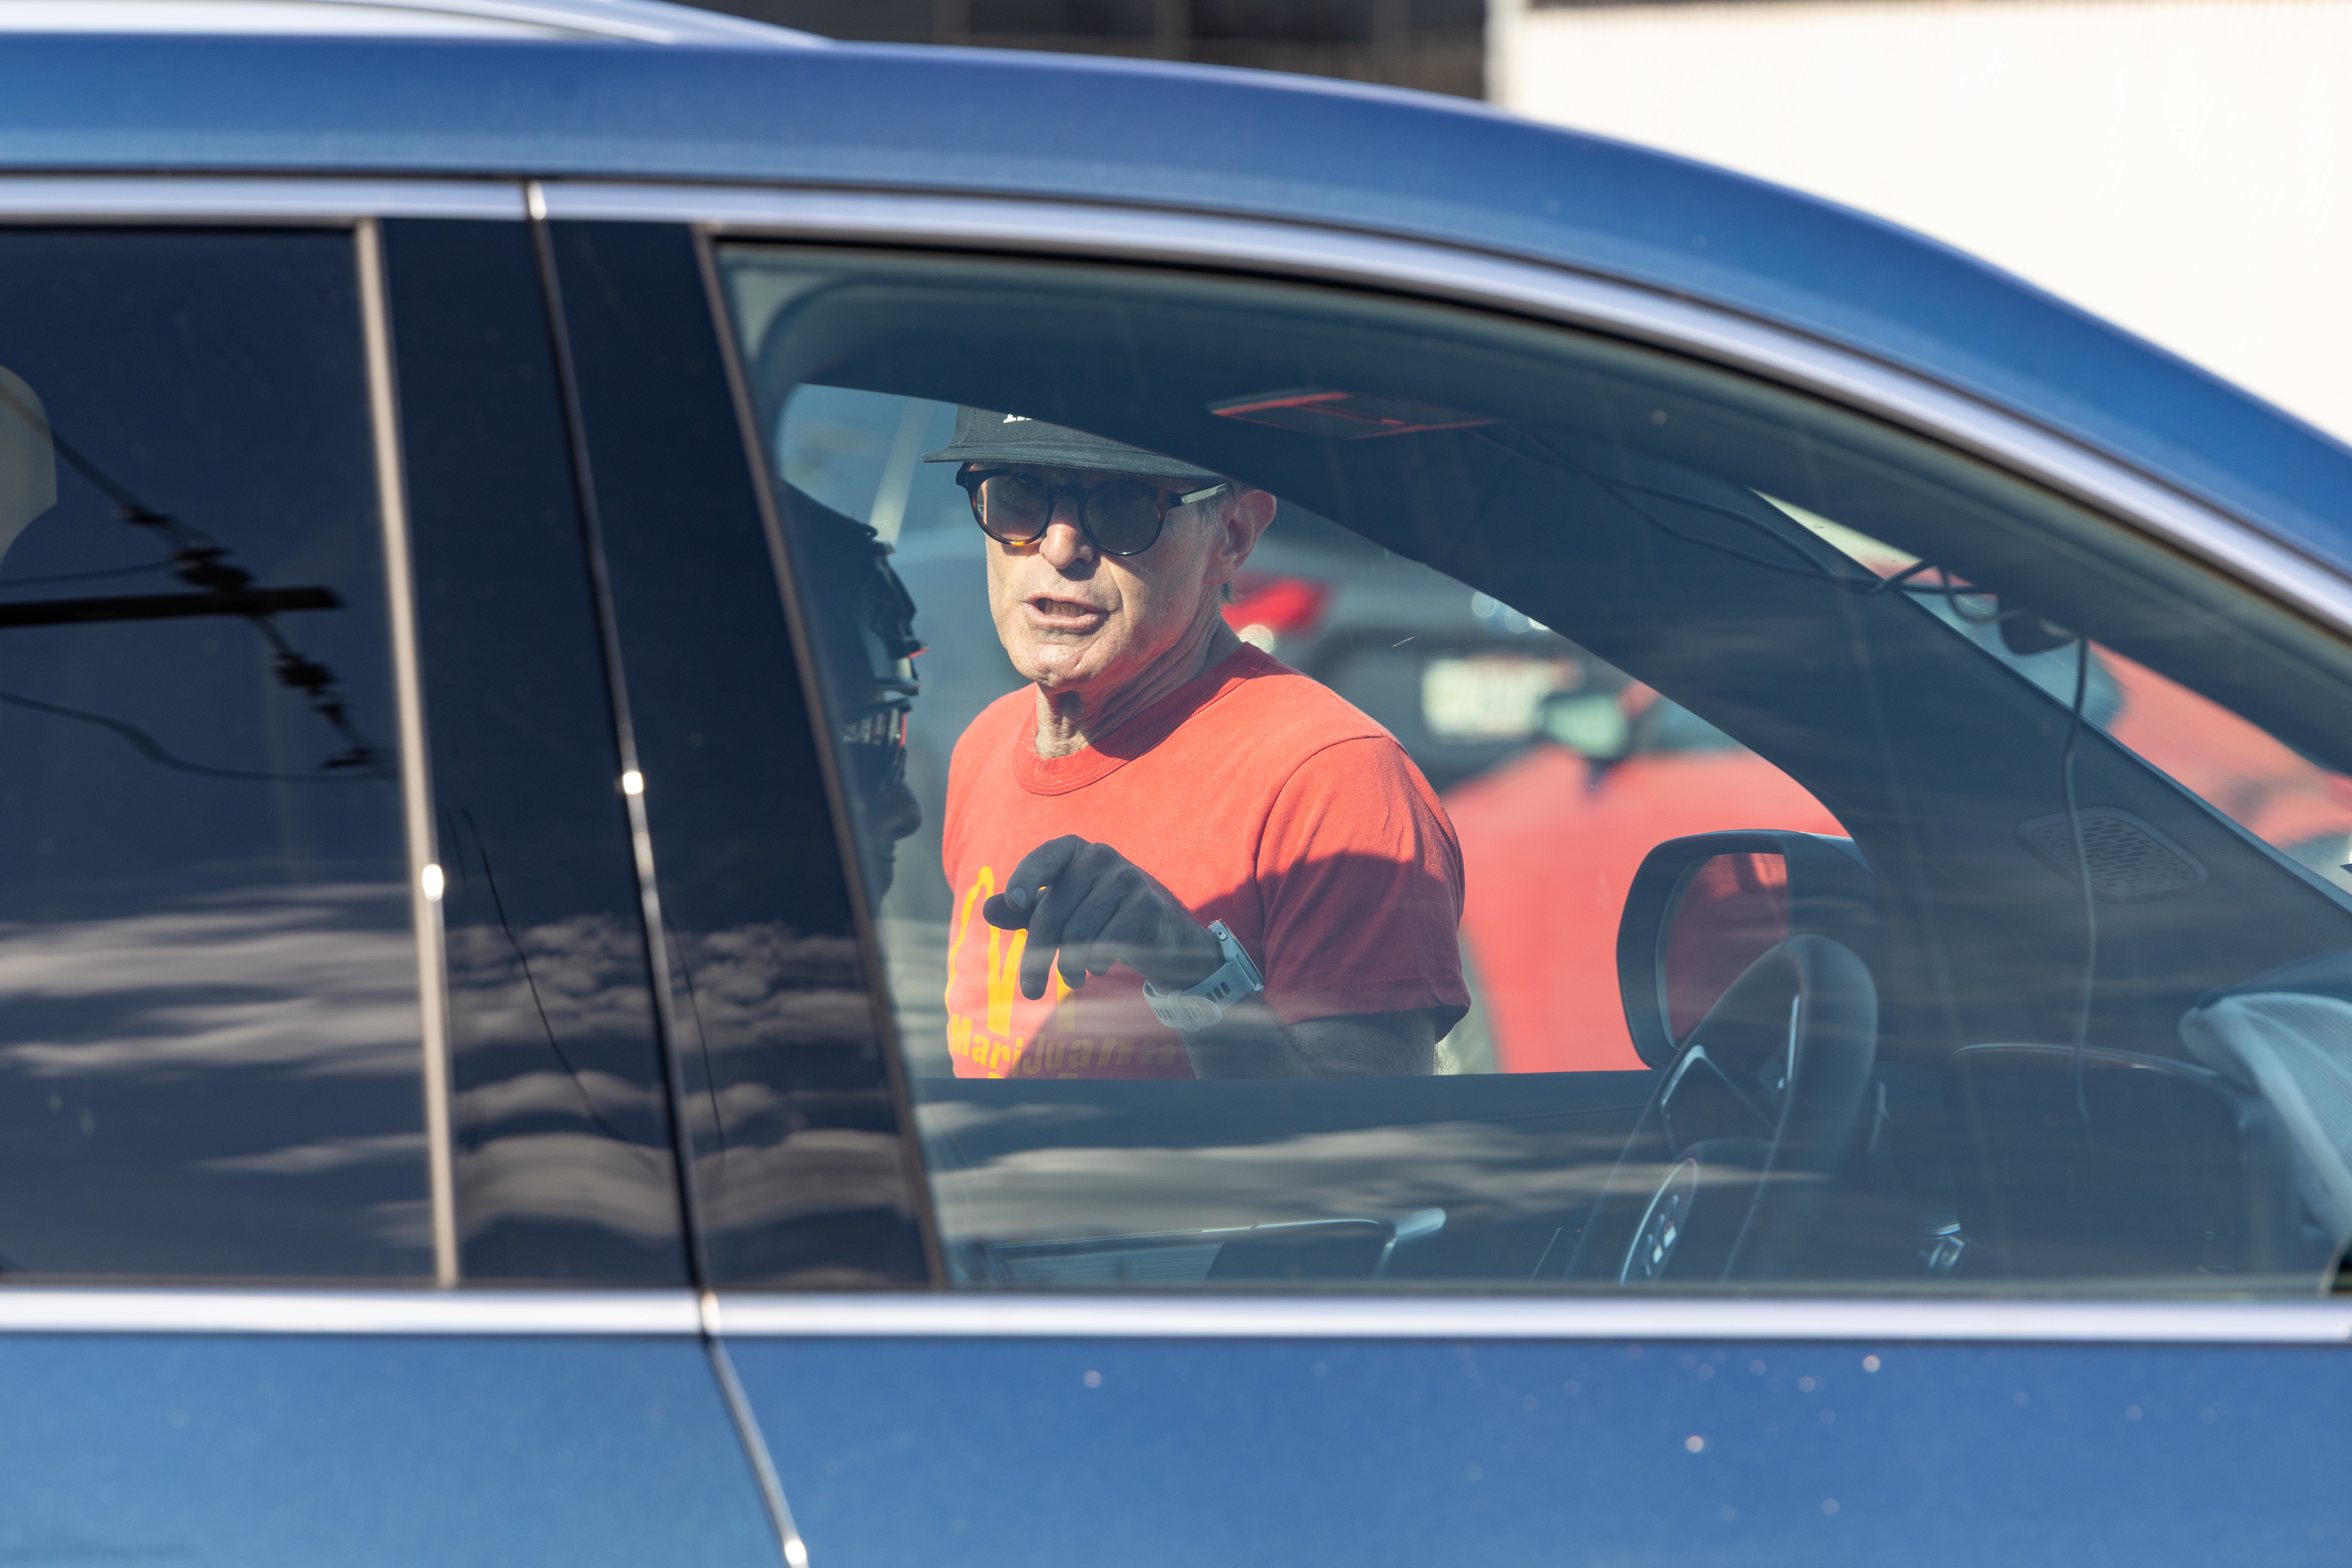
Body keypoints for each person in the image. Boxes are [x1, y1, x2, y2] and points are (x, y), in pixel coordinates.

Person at [925, 407, 1468, 1080]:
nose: (1060, 547)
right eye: (1018, 494)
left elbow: (1368, 1134)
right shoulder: (984, 747)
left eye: (1124, 505)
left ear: (1231, 536)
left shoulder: (1336, 779)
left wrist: (1190, 968)